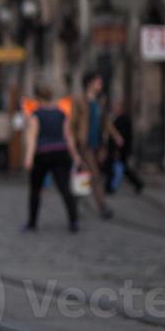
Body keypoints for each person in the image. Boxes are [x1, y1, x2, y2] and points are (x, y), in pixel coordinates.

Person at [22, 84, 79, 232]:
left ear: (37, 98)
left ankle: (32, 222)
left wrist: (28, 158)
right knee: (65, 188)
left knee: (35, 189)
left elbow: (32, 137)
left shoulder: (36, 114)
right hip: (61, 152)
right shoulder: (61, 113)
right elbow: (68, 136)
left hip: (43, 154)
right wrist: (75, 155)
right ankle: (73, 221)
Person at [69, 72, 115, 220]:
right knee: (93, 175)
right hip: (84, 144)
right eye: (98, 82)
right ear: (90, 83)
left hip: (98, 144)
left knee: (85, 176)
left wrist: (114, 136)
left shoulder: (101, 101)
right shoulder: (80, 100)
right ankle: (102, 206)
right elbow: (73, 123)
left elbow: (105, 122)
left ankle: (75, 206)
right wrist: (74, 143)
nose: (100, 84)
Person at [106, 102, 144, 194]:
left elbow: (122, 137)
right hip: (121, 149)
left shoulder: (122, 120)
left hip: (120, 149)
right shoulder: (119, 119)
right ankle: (137, 183)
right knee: (122, 169)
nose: (114, 109)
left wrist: (117, 150)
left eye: (116, 107)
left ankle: (110, 187)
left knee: (119, 169)